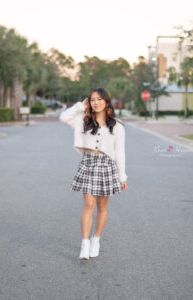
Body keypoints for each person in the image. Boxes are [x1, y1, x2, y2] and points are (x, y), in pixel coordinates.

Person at [59, 88, 128, 260]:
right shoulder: (83, 119)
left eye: (99, 99)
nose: (95, 103)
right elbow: (63, 117)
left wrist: (122, 176)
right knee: (88, 205)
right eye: (92, 100)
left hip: (107, 166)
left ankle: (95, 239)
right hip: (88, 164)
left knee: (102, 207)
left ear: (106, 102)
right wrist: (79, 107)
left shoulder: (117, 125)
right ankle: (85, 243)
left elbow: (120, 152)